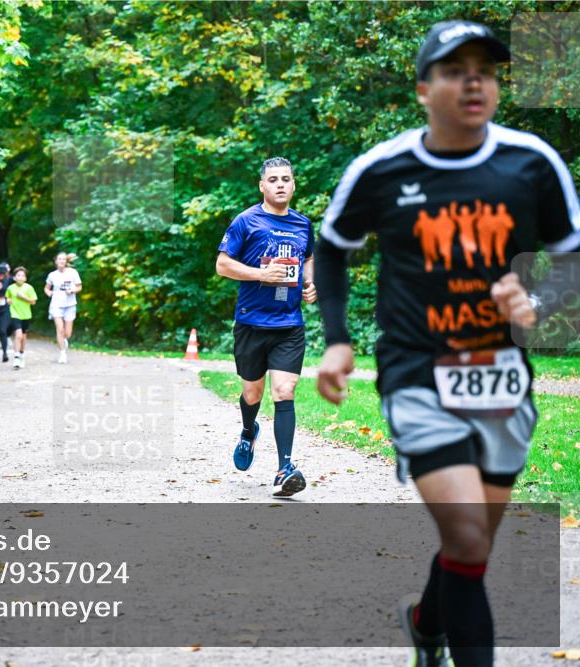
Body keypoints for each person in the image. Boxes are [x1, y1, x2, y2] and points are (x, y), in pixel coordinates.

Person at [314, 20, 579, 667]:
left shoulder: (531, 163)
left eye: (485, 71)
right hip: (417, 373)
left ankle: (424, 621)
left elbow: (572, 254)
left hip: (502, 376)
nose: (473, 81)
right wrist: (338, 341)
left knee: (471, 549)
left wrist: (539, 301)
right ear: (422, 89)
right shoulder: (381, 170)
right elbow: (332, 247)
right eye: (455, 70)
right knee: (464, 533)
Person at [215, 157, 317, 497]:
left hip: (289, 324)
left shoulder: (303, 224)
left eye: (285, 179)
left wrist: (310, 282)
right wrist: (260, 274)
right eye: (272, 179)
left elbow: (309, 259)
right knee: (252, 393)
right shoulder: (246, 221)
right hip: (251, 322)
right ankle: (248, 431)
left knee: (284, 392)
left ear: (293, 184)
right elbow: (222, 264)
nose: (279, 184)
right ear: (262, 185)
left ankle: (284, 468)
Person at [45, 252, 82, 364]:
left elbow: (79, 287)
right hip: (56, 304)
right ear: (56, 261)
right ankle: (62, 354)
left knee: (67, 333)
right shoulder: (52, 275)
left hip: (70, 305)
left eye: (63, 259)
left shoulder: (73, 273)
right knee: (59, 329)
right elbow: (46, 288)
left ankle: (64, 341)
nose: (61, 261)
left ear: (66, 261)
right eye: (59, 259)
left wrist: (72, 290)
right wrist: (49, 293)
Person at [6, 266, 38, 369]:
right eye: (18, 275)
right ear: (14, 278)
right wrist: (8, 301)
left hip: (26, 315)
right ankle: (16, 357)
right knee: (18, 335)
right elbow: (7, 297)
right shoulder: (10, 288)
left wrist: (23, 297)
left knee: (23, 336)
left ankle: (21, 354)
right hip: (15, 314)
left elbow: (33, 302)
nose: (20, 277)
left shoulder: (29, 288)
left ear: (25, 278)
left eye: (22, 275)